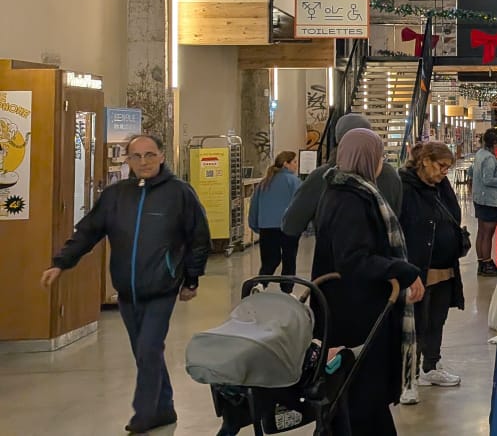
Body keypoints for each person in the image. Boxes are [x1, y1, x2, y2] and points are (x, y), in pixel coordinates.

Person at [42, 134, 210, 434]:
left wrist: (191, 279)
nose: (143, 162)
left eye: (149, 155)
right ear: (128, 160)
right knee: (145, 351)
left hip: (162, 286)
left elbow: (199, 238)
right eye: (136, 156)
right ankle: (164, 407)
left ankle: (144, 414)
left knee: (148, 347)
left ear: (161, 156)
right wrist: (61, 263)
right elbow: (88, 232)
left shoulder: (180, 193)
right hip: (127, 289)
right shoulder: (115, 195)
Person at [314, 128, 425, 435]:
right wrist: (404, 270)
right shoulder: (351, 200)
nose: (382, 162)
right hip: (357, 314)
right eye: (379, 156)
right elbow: (353, 260)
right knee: (363, 393)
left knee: (356, 395)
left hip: (349, 308)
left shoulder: (343, 191)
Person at [396, 141, 466, 404]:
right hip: (418, 269)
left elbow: (454, 214)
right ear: (425, 160)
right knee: (416, 324)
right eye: (441, 166)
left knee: (437, 320)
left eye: (448, 168)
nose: (444, 172)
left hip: (445, 269)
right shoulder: (404, 187)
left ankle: (430, 367)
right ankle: (407, 379)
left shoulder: (440, 187)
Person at [282, 113, 403, 239]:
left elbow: (291, 225)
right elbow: (399, 217)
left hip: (335, 255)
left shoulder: (324, 176)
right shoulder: (389, 174)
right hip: (384, 254)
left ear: (338, 140)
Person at [249, 150, 302, 292]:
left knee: (270, 259)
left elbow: (254, 205)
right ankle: (287, 290)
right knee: (289, 259)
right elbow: (299, 205)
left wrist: (254, 224)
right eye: (295, 162)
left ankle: (261, 284)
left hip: (267, 227)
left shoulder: (264, 182)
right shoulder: (294, 182)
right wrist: (304, 225)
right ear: (286, 164)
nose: (296, 165)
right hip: (288, 227)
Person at [471, 127, 497, 277]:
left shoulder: (480, 154)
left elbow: (471, 171)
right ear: (495, 143)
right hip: (489, 200)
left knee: (481, 232)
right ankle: (486, 262)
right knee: (488, 233)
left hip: (479, 198)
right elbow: (488, 179)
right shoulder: (490, 159)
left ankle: (481, 262)